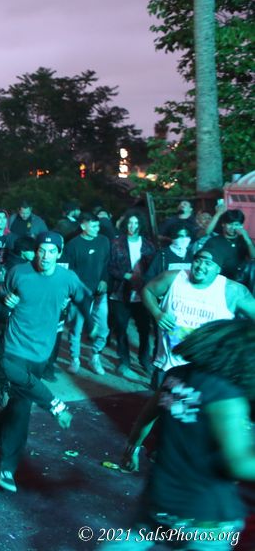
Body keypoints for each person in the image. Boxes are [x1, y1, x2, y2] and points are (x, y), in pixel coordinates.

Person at [106, 320, 255, 550]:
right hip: (205, 514)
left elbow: (146, 415)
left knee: (131, 541)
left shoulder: (175, 377)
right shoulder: (226, 396)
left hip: (160, 498)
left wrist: (133, 447)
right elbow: (240, 465)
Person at [0, 232, 93, 493]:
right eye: (41, 251)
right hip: (13, 348)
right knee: (23, 405)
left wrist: (84, 321)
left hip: (41, 353)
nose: (45, 256)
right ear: (35, 252)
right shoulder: (18, 272)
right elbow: (2, 300)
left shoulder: (67, 279)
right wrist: (5, 301)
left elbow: (85, 297)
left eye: (51, 251)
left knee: (19, 399)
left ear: (59, 253)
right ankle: (6, 467)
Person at [141, 241, 255, 389]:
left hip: (207, 371)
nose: (201, 266)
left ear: (218, 269)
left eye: (208, 263)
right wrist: (157, 313)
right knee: (160, 400)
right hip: (169, 364)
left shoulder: (232, 291)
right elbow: (148, 291)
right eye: (198, 261)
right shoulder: (173, 278)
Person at [108, 211, 156, 377]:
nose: (132, 226)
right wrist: (125, 275)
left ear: (140, 225)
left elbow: (153, 268)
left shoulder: (148, 245)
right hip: (121, 292)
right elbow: (109, 266)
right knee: (121, 328)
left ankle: (144, 359)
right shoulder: (116, 243)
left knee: (144, 329)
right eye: (130, 223)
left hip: (142, 293)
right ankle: (124, 360)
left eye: (135, 223)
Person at [62, 213, 111, 375]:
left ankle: (95, 356)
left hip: (99, 293)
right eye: (94, 226)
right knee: (76, 328)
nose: (97, 229)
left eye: (98, 225)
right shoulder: (73, 245)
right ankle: (74, 358)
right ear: (83, 226)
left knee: (103, 328)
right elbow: (69, 271)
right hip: (80, 296)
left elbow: (107, 264)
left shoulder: (104, 241)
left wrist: (104, 280)